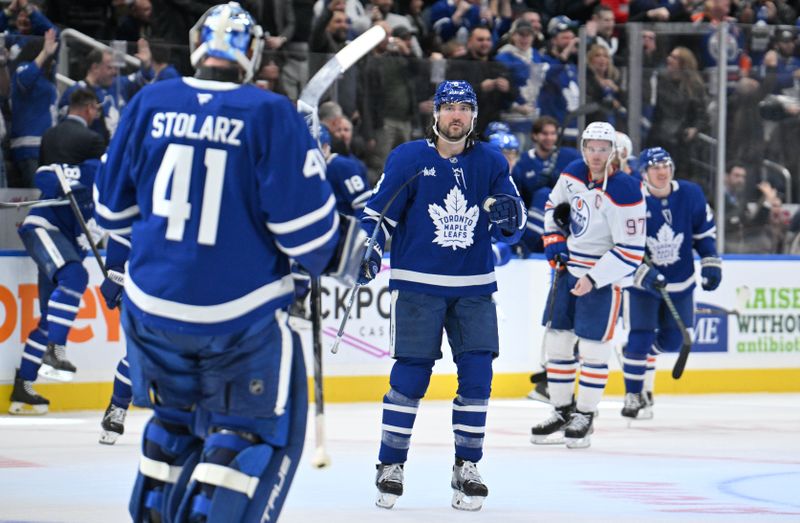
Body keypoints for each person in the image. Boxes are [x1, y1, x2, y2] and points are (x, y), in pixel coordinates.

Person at [92, 3, 366, 521]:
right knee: (249, 437)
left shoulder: (150, 101)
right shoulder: (269, 112)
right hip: (238, 320)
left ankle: (154, 508)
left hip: (151, 312)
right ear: (252, 53)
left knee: (172, 428)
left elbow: (111, 211)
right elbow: (310, 239)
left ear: (198, 46)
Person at [358, 80, 525, 511]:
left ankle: (466, 466)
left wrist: (509, 215)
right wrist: (371, 249)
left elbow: (515, 215)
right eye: (449, 107)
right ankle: (390, 464)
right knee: (411, 377)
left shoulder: (489, 160)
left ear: (474, 116)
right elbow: (378, 214)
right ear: (435, 113)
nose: (457, 115)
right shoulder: (409, 158)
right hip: (418, 286)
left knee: (477, 378)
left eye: (464, 108)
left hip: (473, 287)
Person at [530, 121, 646, 449]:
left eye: (603, 149)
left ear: (614, 152)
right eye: (591, 148)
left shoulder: (626, 189)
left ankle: (586, 414)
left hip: (602, 280)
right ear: (583, 148)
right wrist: (553, 239)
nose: (596, 155)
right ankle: (562, 410)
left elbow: (631, 250)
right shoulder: (572, 173)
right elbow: (552, 206)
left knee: (594, 349)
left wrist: (593, 278)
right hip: (567, 272)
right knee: (557, 343)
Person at [621, 147, 721, 419]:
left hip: (681, 280)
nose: (661, 171)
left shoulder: (690, 194)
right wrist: (642, 271)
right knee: (640, 336)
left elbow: (703, 234)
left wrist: (710, 259)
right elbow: (622, 244)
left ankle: (635, 357)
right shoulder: (633, 199)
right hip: (643, 283)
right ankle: (633, 394)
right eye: (655, 167)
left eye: (666, 165)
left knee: (675, 340)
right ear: (644, 173)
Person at [9, 160, 102, 414]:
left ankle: (23, 385)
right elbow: (44, 174)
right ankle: (55, 351)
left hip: (64, 250)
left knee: (50, 320)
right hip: (44, 229)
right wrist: (68, 189)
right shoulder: (95, 169)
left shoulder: (119, 203)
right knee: (75, 276)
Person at [39, 88, 105, 166]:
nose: (96, 115)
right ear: (89, 108)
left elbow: (42, 169)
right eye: (96, 109)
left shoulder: (48, 134)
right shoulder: (93, 139)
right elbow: (97, 172)